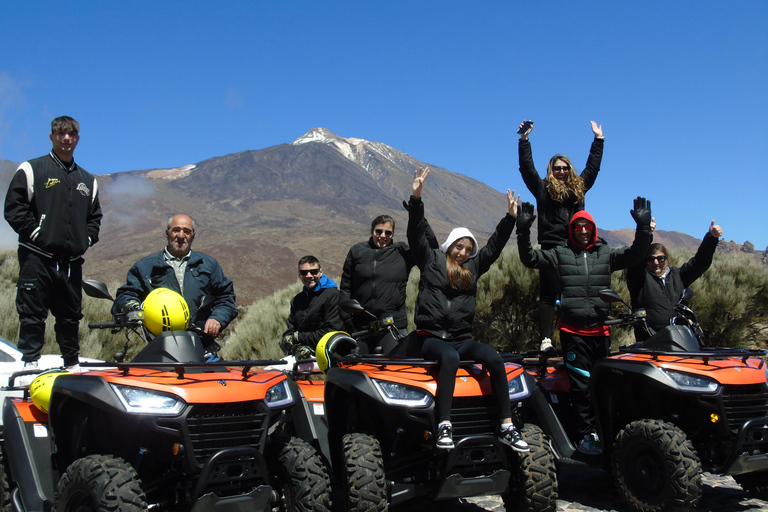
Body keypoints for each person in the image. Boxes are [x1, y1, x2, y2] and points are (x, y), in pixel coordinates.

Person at [516, 197, 652, 455]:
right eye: (577, 226)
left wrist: (643, 228)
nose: (581, 230)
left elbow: (635, 255)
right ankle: (585, 435)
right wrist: (523, 230)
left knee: (603, 385)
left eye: (586, 226)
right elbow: (530, 258)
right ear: (571, 229)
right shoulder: (560, 254)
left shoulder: (606, 254)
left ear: (593, 229)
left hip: (600, 333)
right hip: (573, 333)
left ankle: (606, 431)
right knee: (580, 386)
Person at [406, 167, 529, 452]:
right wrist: (416, 198)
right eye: (459, 247)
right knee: (448, 356)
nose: (463, 252)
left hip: (462, 337)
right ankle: (445, 424)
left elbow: (495, 247)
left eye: (468, 249)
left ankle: (507, 424)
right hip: (430, 336)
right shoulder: (430, 260)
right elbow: (415, 232)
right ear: (449, 246)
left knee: (495, 360)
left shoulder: (473, 268)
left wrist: (510, 218)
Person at [4, 116, 102, 372]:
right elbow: (14, 209)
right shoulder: (32, 169)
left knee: (70, 316)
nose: (66, 138)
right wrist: (37, 234)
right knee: (32, 314)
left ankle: (71, 363)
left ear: (77, 138)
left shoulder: (87, 180)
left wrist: (86, 239)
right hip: (37, 258)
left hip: (70, 262)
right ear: (51, 137)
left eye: (71, 134)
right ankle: (29, 364)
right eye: (60, 133)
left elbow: (95, 218)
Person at [517, 120, 605, 353]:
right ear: (551, 170)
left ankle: (573, 333)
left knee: (574, 293)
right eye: (557, 168)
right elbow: (527, 169)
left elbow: (593, 167)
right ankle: (546, 339)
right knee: (548, 294)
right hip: (551, 248)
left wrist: (598, 140)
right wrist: (524, 141)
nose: (562, 171)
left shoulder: (579, 188)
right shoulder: (542, 188)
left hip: (577, 247)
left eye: (565, 168)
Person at [114, 214, 238, 340]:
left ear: (193, 236)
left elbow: (226, 297)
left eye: (187, 231)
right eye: (176, 230)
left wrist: (217, 318)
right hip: (158, 345)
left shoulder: (208, 264)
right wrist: (132, 307)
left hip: (201, 344)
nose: (181, 236)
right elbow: (125, 296)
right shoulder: (145, 267)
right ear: (167, 233)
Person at [627, 219, 723, 341]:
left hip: (680, 340)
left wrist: (711, 238)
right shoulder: (639, 279)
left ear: (667, 260)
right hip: (650, 341)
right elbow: (636, 262)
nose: (656, 262)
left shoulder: (678, 275)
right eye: (651, 259)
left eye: (660, 258)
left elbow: (700, 263)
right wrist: (645, 234)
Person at [280, 255, 344, 359]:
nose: (309, 276)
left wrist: (298, 337)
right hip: (301, 354)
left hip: (327, 355)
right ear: (299, 275)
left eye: (313, 271)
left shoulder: (332, 296)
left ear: (320, 272)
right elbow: (290, 330)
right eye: (304, 273)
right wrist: (296, 347)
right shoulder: (297, 300)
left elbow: (332, 331)